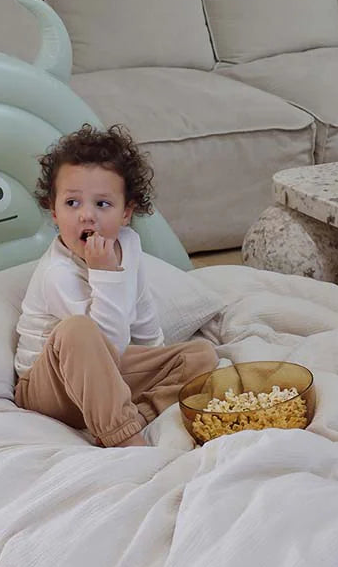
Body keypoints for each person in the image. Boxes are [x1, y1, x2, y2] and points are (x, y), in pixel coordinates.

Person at [14, 123, 218, 447]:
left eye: (103, 204)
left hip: (104, 376)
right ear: (53, 211)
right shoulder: (58, 272)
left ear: (126, 213)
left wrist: (157, 362)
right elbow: (104, 345)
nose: (87, 216)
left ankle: (138, 414)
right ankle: (124, 438)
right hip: (50, 387)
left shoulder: (130, 244)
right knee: (76, 330)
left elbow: (142, 314)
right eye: (72, 203)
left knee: (201, 357)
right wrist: (105, 274)